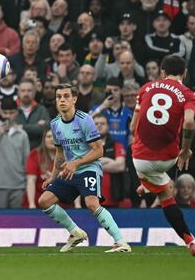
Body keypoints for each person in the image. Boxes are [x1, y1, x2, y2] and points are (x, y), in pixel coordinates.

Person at [39, 83, 131, 254]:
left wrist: (76, 163)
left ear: (74, 99)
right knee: (44, 201)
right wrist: (53, 177)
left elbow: (99, 151)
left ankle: (121, 242)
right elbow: (60, 154)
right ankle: (75, 233)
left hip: (88, 167)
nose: (62, 100)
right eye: (59, 97)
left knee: (91, 203)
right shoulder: (55, 124)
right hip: (70, 170)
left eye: (66, 96)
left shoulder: (85, 120)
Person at [130, 54, 195, 256]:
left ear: (162, 71)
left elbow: (133, 125)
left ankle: (146, 183)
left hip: (141, 160)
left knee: (163, 192)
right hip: (168, 159)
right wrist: (186, 149)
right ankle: (190, 241)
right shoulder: (189, 95)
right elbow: (189, 122)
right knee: (163, 185)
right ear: (185, 73)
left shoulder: (145, 89)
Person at [0, 99, 29, 208]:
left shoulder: (22, 134)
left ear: (17, 113)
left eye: (11, 113)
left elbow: (26, 161)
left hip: (18, 185)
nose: (8, 116)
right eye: (5, 113)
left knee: (17, 222)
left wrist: (26, 184)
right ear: (1, 112)